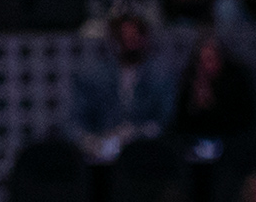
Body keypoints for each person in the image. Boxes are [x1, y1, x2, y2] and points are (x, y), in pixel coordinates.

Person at [69, 13, 177, 151]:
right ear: (114, 39)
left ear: (145, 38)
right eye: (125, 38)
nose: (130, 43)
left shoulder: (160, 74)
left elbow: (166, 120)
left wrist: (138, 133)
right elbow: (75, 120)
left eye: (135, 37)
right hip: (102, 149)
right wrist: (89, 141)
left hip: (147, 149)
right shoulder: (92, 75)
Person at [170, 31, 256, 142]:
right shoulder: (191, 77)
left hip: (232, 140)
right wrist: (194, 106)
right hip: (196, 140)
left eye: (209, 59)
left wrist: (211, 103)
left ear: (220, 59)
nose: (204, 65)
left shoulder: (237, 80)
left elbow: (242, 121)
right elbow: (180, 123)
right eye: (200, 60)